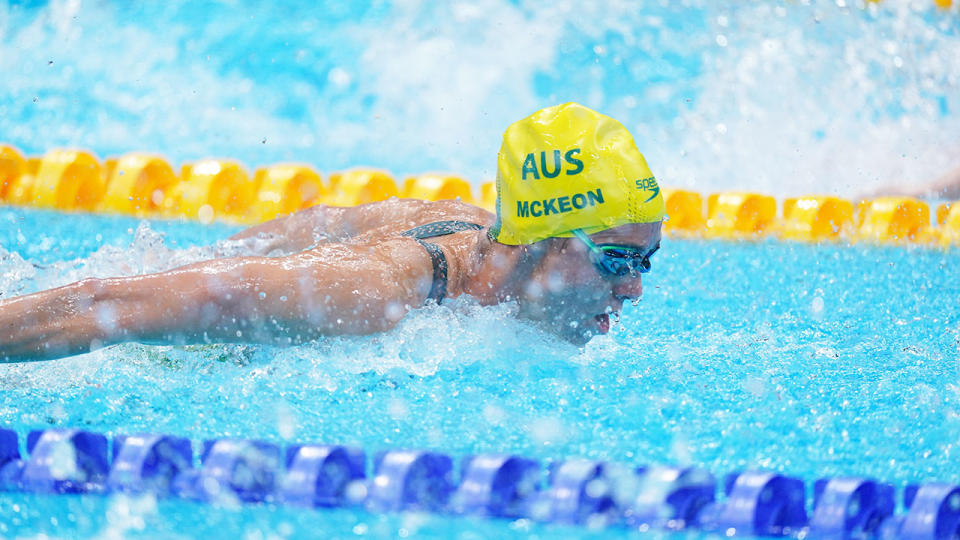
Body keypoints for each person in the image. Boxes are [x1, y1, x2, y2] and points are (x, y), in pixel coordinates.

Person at [0, 103, 664, 362]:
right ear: (536, 245)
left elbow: (328, 222)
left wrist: (214, 254)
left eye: (646, 262)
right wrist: (205, 265)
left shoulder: (473, 224)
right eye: (615, 261)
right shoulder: (376, 296)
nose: (633, 289)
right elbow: (105, 304)